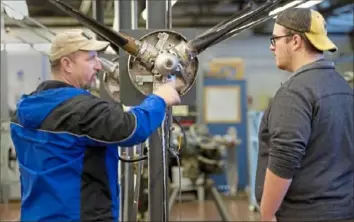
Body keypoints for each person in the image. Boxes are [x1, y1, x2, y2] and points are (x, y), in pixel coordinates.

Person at [10, 29, 183, 221]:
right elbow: (132, 128)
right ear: (67, 64)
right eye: (91, 58)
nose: (99, 66)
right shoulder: (80, 109)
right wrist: (160, 99)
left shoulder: (23, 109)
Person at [255, 8, 354, 222]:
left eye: (275, 39)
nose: (272, 47)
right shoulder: (343, 87)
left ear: (296, 41)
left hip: (302, 214)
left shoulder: (295, 92)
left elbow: (285, 157)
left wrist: (267, 213)